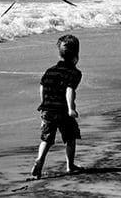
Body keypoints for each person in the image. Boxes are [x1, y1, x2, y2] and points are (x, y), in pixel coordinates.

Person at [31, 34, 83, 179]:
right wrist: (70, 108)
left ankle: (40, 160)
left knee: (46, 139)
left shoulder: (49, 71)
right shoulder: (74, 73)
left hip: (47, 109)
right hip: (62, 111)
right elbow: (69, 90)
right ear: (76, 56)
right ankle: (70, 165)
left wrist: (43, 103)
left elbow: (42, 86)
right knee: (70, 136)